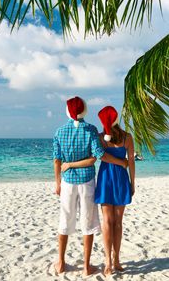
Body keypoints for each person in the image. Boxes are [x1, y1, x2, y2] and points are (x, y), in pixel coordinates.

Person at [52, 97, 128, 277]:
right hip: (87, 181)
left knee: (65, 221)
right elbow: (98, 155)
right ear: (84, 110)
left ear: (68, 111)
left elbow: (57, 160)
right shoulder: (92, 130)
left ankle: (61, 262)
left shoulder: (59, 131)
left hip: (68, 182)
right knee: (89, 223)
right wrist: (121, 162)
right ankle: (86, 266)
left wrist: (58, 182)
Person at [94, 106, 135, 276]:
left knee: (107, 222)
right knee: (118, 222)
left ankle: (108, 262)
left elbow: (97, 156)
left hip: (105, 178)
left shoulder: (100, 138)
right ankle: (116, 260)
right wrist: (133, 183)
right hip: (120, 179)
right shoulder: (127, 137)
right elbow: (131, 161)